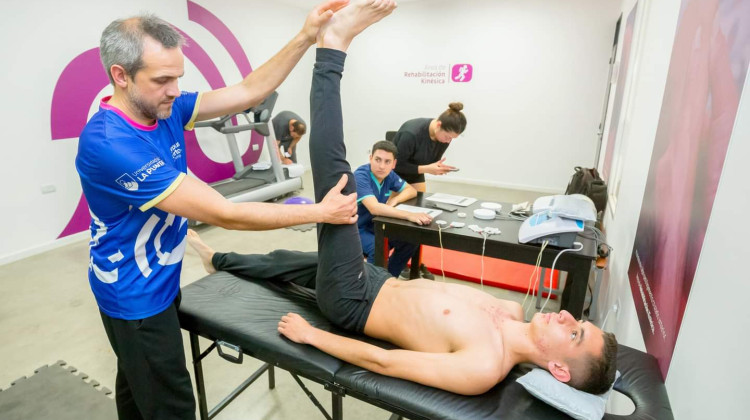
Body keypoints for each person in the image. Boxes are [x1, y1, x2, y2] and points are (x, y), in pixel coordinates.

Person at [186, 3, 618, 396]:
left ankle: (332, 49)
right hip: (377, 279)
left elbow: (384, 361)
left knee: (335, 177)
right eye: (578, 321)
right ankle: (218, 261)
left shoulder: (484, 365)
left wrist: (311, 335)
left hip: (354, 300)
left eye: (575, 333)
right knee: (287, 261)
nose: (567, 317)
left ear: (559, 369)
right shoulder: (508, 309)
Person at [75, 1, 369, 418]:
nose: (175, 90)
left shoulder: (165, 107)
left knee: (138, 384)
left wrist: (305, 35)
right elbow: (224, 213)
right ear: (120, 76)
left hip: (159, 275)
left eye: (178, 77)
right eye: (162, 80)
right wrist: (321, 212)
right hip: (134, 294)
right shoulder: (111, 145)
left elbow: (249, 91)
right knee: (171, 404)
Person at [355, 140, 431, 277]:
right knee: (376, 248)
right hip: (356, 229)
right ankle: (371, 287)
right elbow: (374, 208)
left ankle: (388, 278)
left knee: (410, 239)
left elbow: (411, 190)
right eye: (377, 160)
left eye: (387, 162)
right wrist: (409, 215)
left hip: (376, 226)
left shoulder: (389, 175)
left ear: (394, 164)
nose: (381, 166)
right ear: (370, 158)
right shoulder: (361, 175)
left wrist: (395, 199)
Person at [391, 103, 467, 193]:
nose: (448, 141)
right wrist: (427, 169)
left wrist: (438, 167)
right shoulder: (411, 134)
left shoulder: (443, 138)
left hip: (415, 173)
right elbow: (396, 165)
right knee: (399, 203)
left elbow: (431, 162)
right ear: (439, 125)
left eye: (452, 138)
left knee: (419, 202)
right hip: (394, 173)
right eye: (447, 137)